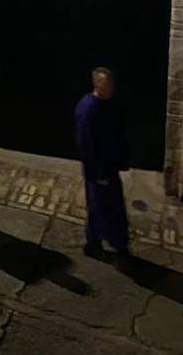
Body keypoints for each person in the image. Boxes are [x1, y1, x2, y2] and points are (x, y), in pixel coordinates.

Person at [75, 67, 131, 265]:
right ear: (97, 84)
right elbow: (85, 144)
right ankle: (94, 243)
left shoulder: (109, 105)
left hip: (110, 165)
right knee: (99, 207)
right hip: (98, 169)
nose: (111, 88)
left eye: (111, 84)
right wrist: (96, 172)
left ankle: (115, 241)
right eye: (106, 85)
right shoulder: (88, 108)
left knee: (112, 206)